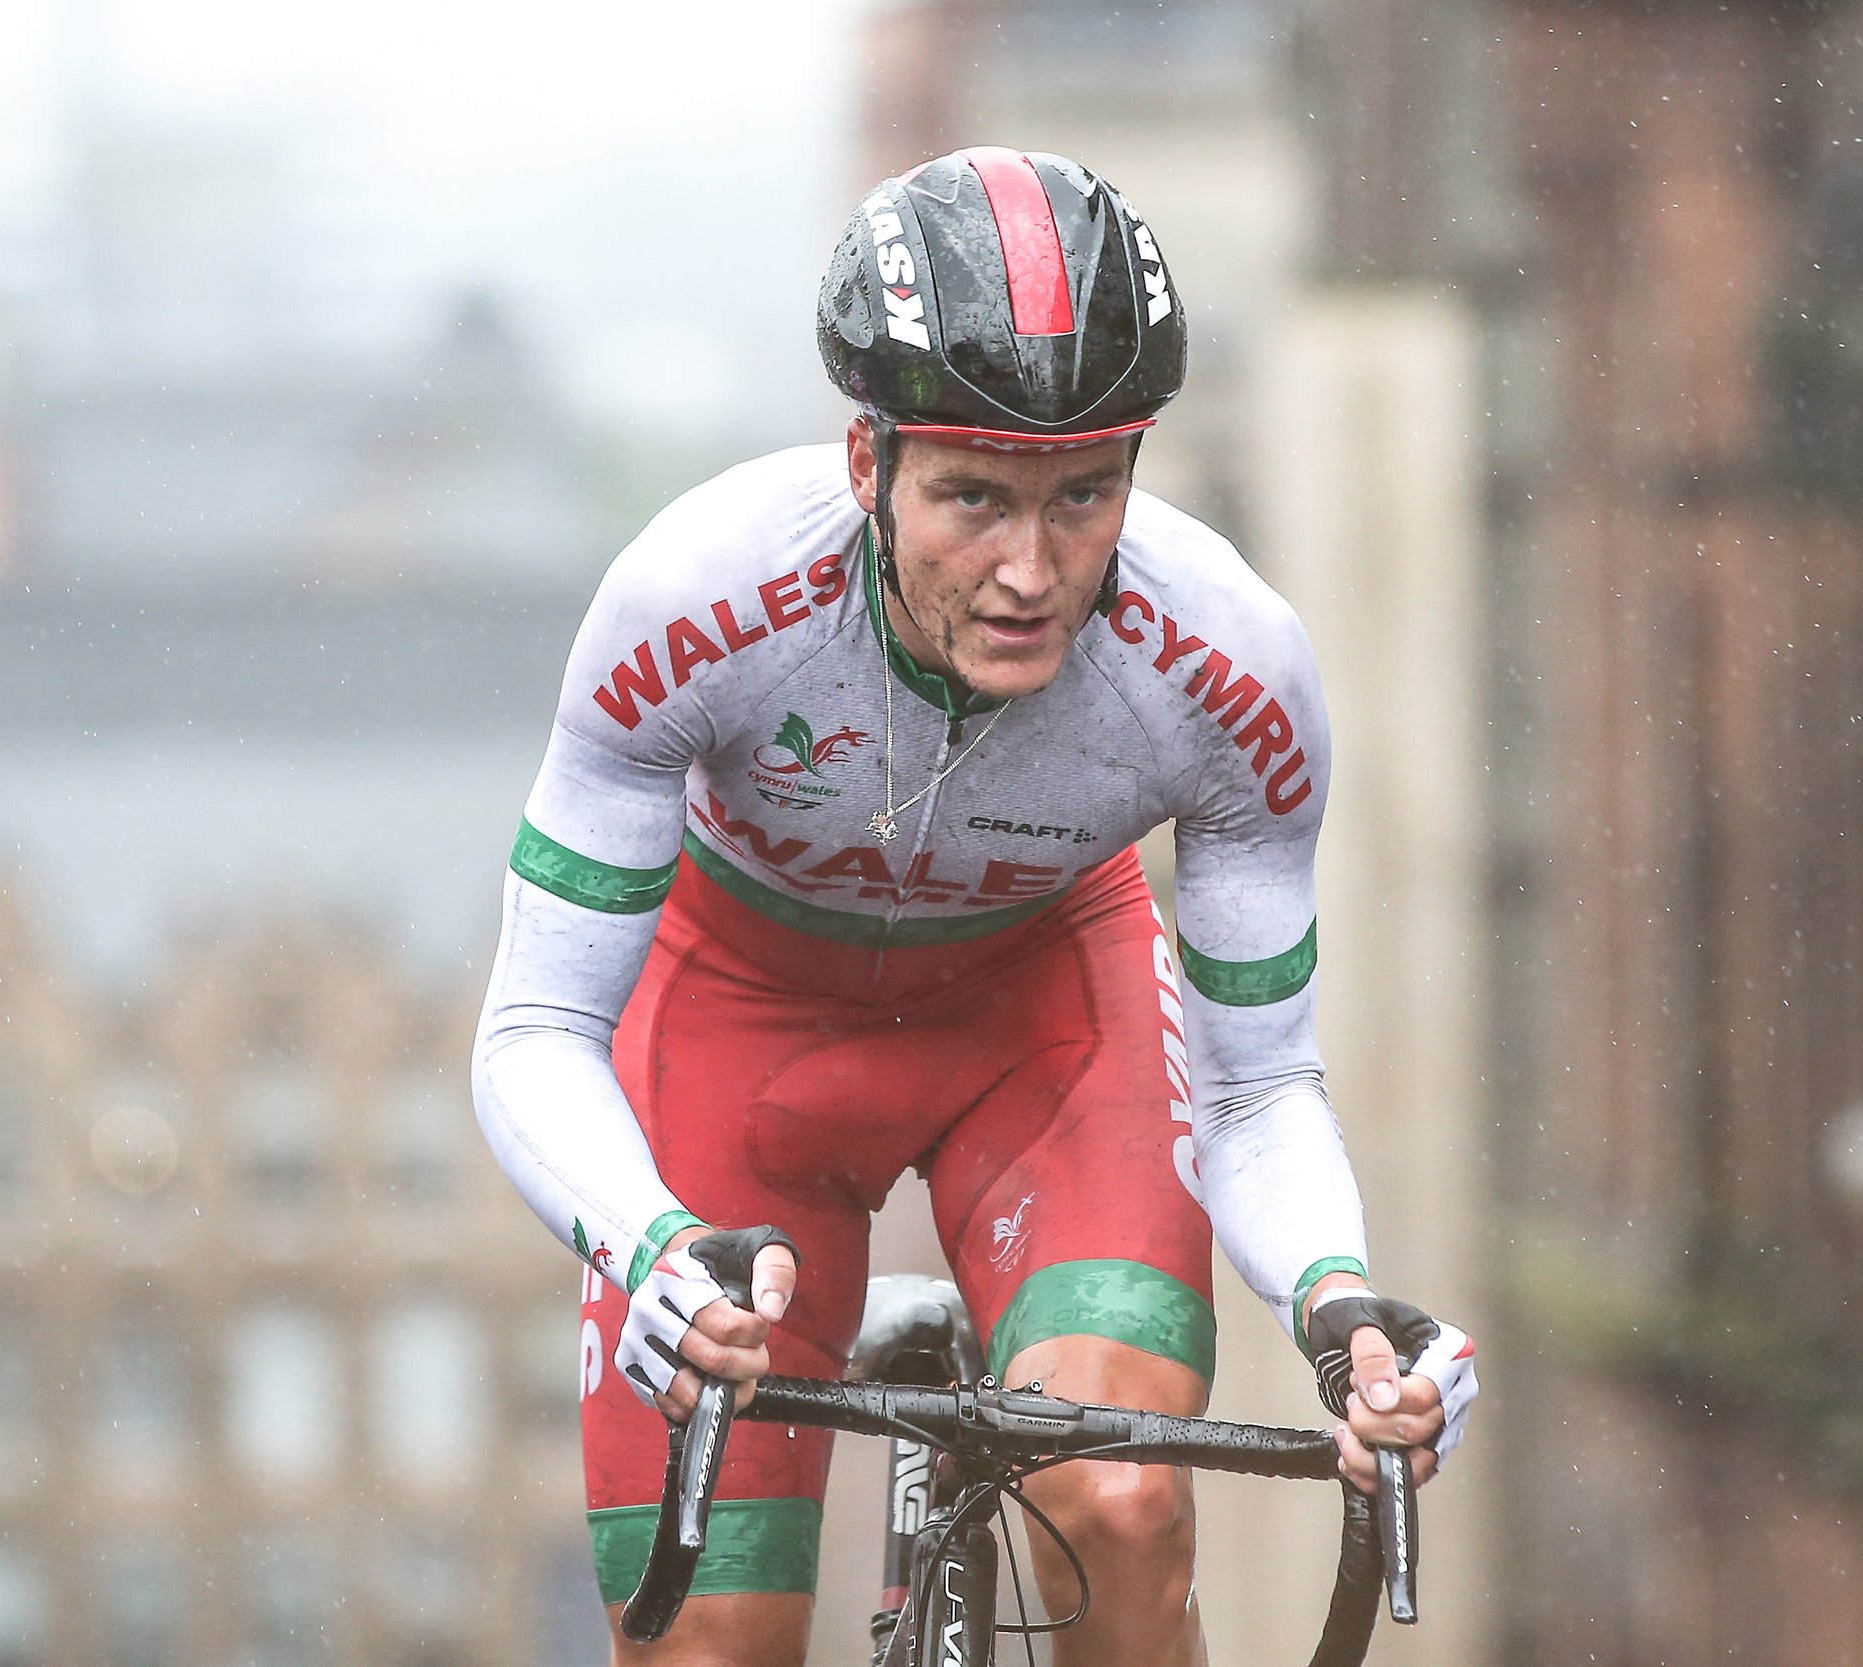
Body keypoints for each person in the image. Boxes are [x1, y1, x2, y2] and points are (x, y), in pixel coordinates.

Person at [473, 146, 1478, 1667]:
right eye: (971, 498)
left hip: (1043, 1026)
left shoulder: (1232, 668)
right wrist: (650, 1245)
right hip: (739, 1024)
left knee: (1120, 1508)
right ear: (865, 463)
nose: (1029, 569)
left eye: (1084, 496)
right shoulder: (695, 598)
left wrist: (1342, 1310)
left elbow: (1260, 1085)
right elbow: (538, 1025)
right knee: (706, 1643)